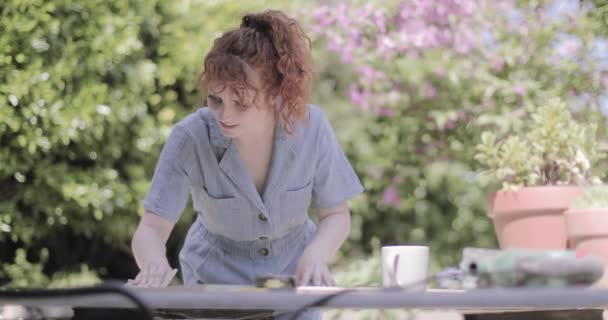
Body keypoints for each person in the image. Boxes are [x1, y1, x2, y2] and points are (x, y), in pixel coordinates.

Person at [127, 9, 364, 319]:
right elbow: (151, 230)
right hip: (214, 282)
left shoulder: (312, 127)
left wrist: (317, 255)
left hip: (293, 278)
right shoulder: (191, 136)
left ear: (275, 94)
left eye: (241, 103)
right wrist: (153, 263)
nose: (224, 115)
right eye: (215, 99)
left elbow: (336, 215)